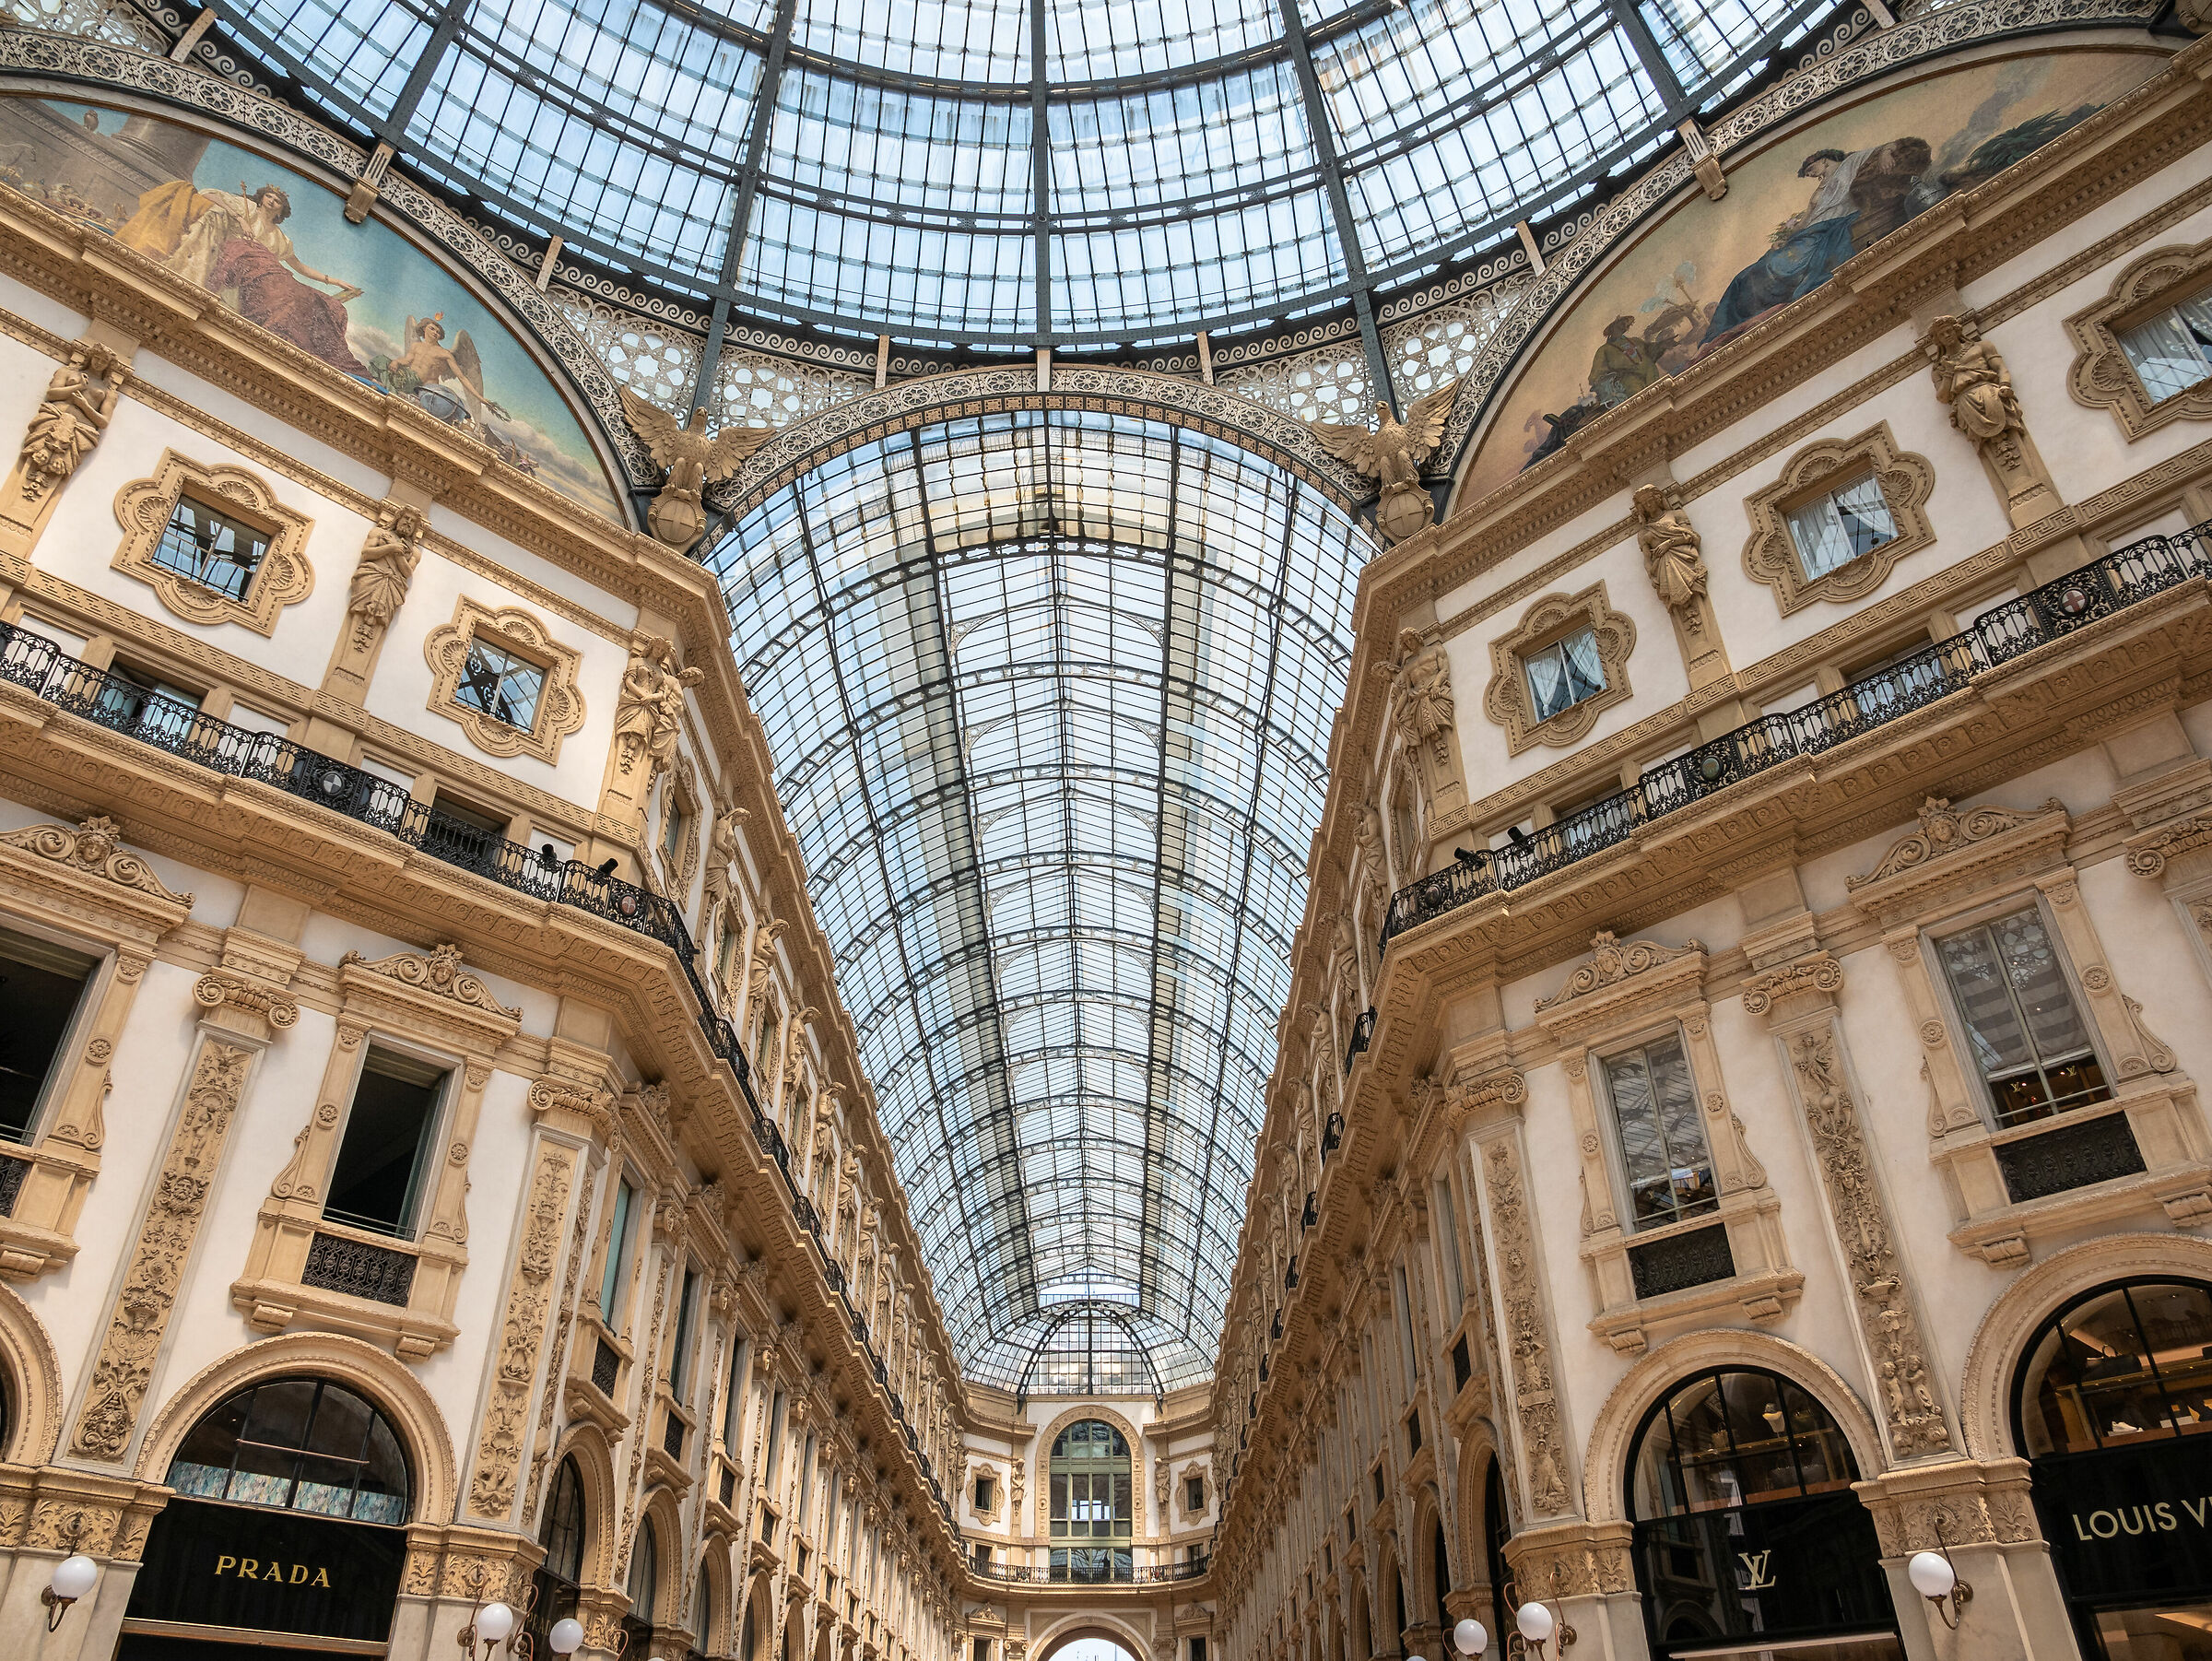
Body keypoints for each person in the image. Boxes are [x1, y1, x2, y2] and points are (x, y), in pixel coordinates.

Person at [118, 180, 363, 370]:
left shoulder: (280, 238)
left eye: (277, 200)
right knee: (283, 292)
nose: (272, 201)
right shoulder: (246, 208)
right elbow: (207, 194)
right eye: (269, 196)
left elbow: (299, 267)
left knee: (305, 295)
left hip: (269, 270)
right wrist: (238, 218)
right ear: (261, 197)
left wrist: (333, 281)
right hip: (238, 260)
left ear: (282, 209)